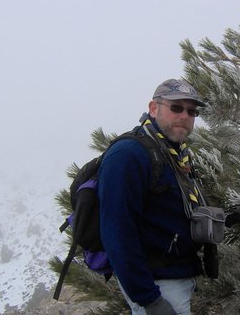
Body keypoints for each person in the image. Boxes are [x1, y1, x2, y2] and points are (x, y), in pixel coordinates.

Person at [98, 78, 207, 315]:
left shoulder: (175, 153)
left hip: (177, 278)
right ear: (153, 108)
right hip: (157, 285)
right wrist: (149, 299)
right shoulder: (129, 155)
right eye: (176, 107)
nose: (185, 115)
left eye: (192, 111)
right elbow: (116, 231)